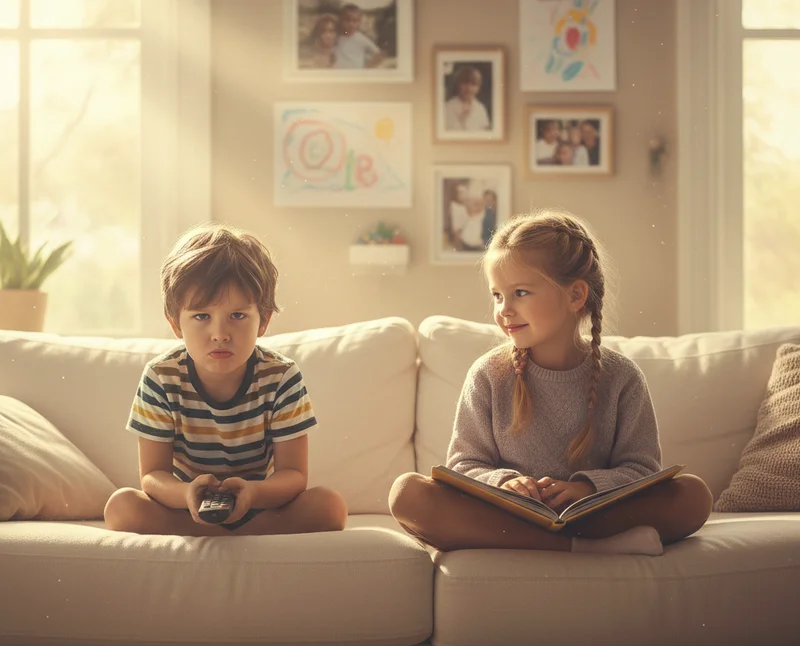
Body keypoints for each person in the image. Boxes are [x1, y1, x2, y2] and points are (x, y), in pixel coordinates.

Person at [389, 210, 713, 554]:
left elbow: (643, 469)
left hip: (595, 514)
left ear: (575, 296)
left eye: (520, 292)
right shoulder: (487, 375)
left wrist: (587, 489)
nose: (504, 309)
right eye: (497, 295)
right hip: (505, 516)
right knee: (407, 493)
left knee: (692, 495)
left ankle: (564, 542)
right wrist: (506, 483)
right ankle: (583, 549)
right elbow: (463, 466)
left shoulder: (623, 378)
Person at [104, 223, 348, 537]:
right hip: (185, 510)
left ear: (263, 321)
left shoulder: (281, 377)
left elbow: (293, 474)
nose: (220, 334)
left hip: (259, 507)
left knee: (329, 506)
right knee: (122, 506)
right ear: (175, 324)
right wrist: (187, 494)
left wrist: (254, 494)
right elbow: (153, 475)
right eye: (201, 316)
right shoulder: (161, 377)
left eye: (237, 316)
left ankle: (218, 540)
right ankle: (234, 540)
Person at [334, 4, 384, 69]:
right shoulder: (335, 37)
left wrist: (367, 67)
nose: (351, 24)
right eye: (348, 20)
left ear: (359, 22)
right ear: (341, 20)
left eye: (355, 21)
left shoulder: (361, 38)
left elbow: (379, 54)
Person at [443, 65, 491, 132]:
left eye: (473, 84)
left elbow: (485, 131)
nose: (469, 88)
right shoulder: (448, 107)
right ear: (458, 85)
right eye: (465, 84)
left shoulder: (480, 108)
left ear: (478, 87)